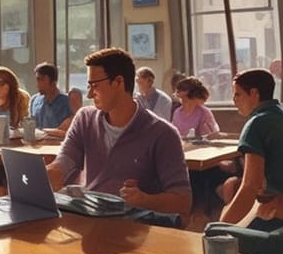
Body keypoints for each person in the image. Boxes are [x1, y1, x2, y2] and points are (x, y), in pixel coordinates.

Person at [46, 48, 192, 218]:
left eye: (95, 85)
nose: (90, 94)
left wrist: (144, 200)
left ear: (118, 82)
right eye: (89, 86)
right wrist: (48, 174)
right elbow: (65, 161)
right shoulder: (85, 119)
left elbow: (183, 202)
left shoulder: (163, 134)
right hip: (91, 220)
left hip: (136, 231)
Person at [219, 69, 283, 232]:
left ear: (254, 93)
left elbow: (251, 185)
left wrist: (219, 229)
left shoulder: (256, 124)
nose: (234, 100)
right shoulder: (280, 114)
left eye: (237, 94)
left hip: (276, 216)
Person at [29, 62, 73, 130]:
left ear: (53, 82)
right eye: (37, 79)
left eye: (41, 80)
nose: (37, 84)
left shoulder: (68, 102)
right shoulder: (34, 100)